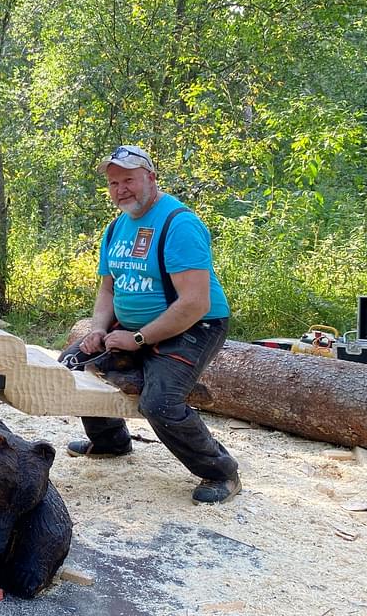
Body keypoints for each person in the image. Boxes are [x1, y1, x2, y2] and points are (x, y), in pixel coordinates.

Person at [63, 145, 239, 505]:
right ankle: (111, 442)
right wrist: (98, 329)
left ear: (151, 178)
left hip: (193, 327)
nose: (120, 189)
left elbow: (195, 303)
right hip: (132, 328)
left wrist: (139, 339)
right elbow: (108, 287)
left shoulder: (179, 224)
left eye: (128, 180)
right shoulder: (116, 229)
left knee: (159, 402)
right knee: (74, 364)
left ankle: (221, 472)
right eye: (114, 183)